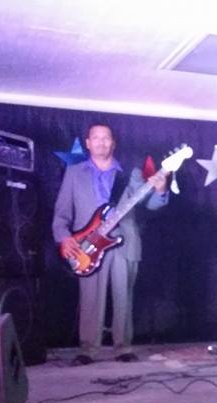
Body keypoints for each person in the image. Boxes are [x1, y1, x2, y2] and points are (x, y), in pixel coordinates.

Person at [52, 123, 169, 363]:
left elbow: (151, 204)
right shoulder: (74, 173)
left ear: (113, 143)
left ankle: (123, 348)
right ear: (88, 143)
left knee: (123, 296)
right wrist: (64, 237)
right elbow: (62, 213)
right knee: (90, 298)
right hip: (88, 244)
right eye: (96, 138)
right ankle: (88, 350)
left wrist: (160, 191)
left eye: (106, 138)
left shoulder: (130, 174)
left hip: (124, 242)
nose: (101, 142)